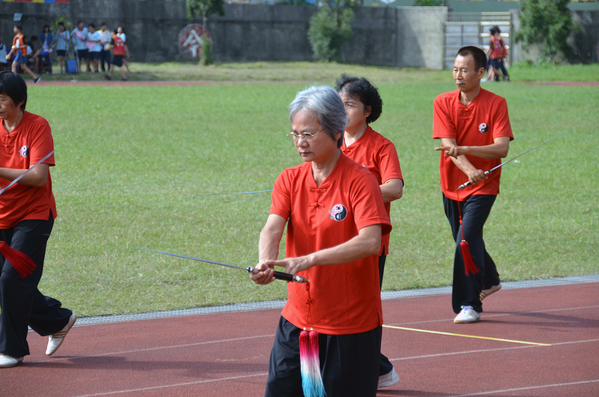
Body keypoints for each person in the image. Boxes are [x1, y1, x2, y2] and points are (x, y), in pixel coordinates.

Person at [251, 85, 391, 397]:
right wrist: (265, 261)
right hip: (299, 319)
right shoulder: (289, 178)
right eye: (295, 134)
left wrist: (310, 259)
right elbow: (272, 227)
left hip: (350, 325)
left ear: (335, 130)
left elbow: (370, 242)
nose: (300, 142)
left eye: (308, 134)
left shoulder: (361, 180)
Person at [0, 71, 77, 368]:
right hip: (3, 215)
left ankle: (12, 350)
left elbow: (37, 176)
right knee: (5, 283)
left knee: (11, 278)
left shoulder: (37, 126)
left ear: (19, 101)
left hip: (34, 215)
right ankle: (58, 320)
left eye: (2, 98)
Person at [432, 46, 513, 324]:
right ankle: (490, 279)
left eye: (464, 70)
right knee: (466, 237)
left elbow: (501, 148)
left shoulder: (496, 103)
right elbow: (447, 145)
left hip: (484, 186)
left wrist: (477, 167)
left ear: (481, 73)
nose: (458, 75)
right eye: (455, 69)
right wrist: (470, 168)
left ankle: (468, 304)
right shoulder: (442, 102)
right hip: (452, 186)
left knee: (465, 239)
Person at [335, 74, 403, 389]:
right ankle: (372, 368)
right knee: (335, 305)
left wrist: (357, 193)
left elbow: (394, 188)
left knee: (363, 308)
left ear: (367, 110)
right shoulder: (330, 142)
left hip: (370, 243)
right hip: (333, 241)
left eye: (349, 105)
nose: (342, 110)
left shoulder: (381, 146)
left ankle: (376, 369)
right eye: (338, 104)